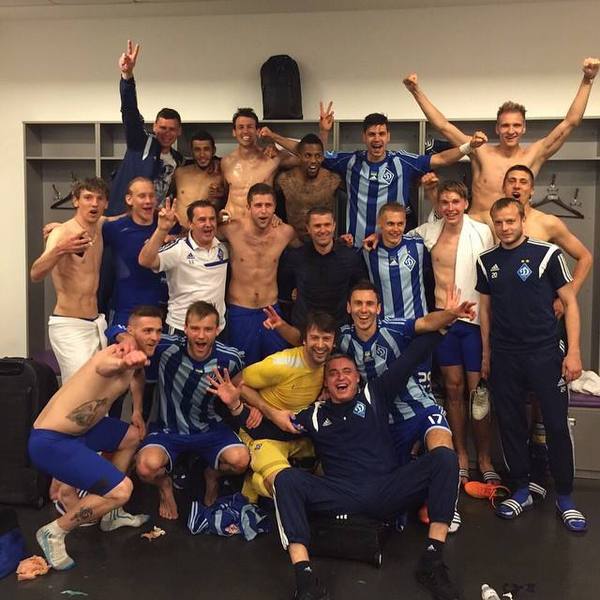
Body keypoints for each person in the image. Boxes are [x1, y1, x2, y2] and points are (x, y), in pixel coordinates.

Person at [209, 333, 461, 600]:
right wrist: (235, 405)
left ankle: (432, 561)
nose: (341, 377)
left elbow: (410, 358)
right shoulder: (313, 416)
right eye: (333, 373)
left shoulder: (375, 394)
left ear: (357, 378)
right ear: (326, 383)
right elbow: (267, 430)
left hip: (387, 490)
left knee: (444, 458)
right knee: (286, 480)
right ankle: (305, 580)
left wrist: (445, 323)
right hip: (341, 495)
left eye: (347, 372)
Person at [476, 197, 586, 532]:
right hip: (505, 355)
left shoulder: (547, 254)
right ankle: (521, 489)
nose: (505, 228)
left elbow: (570, 303)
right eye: (499, 222)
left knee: (555, 425)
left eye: (510, 221)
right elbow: (485, 311)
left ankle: (565, 496)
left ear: (522, 220)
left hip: (544, 352)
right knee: (510, 424)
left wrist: (574, 352)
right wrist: (486, 354)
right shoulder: (486, 260)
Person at [28, 305, 164, 570]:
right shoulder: (114, 356)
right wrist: (123, 362)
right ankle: (55, 531)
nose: (154, 337)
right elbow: (106, 366)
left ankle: (111, 516)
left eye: (158, 331)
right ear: (131, 331)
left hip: (83, 431)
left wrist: (137, 410)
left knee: (131, 436)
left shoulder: (138, 358)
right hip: (51, 441)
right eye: (147, 331)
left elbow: (137, 376)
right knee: (122, 490)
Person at [403, 58, 600, 223]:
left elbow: (570, 123)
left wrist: (588, 79)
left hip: (513, 232)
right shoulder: (480, 151)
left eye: (516, 125)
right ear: (497, 128)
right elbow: (443, 126)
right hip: (479, 231)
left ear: (524, 128)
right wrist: (415, 91)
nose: (511, 131)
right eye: (505, 125)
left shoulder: (534, 154)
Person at [411, 181, 496, 484]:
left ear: (465, 203)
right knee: (453, 389)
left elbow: (493, 275)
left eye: (455, 202)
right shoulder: (429, 232)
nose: (450, 208)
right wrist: (375, 237)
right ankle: (460, 454)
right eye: (444, 202)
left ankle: (484, 458)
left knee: (478, 394)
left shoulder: (482, 232)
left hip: (473, 322)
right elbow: (394, 236)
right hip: (445, 322)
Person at [135, 301, 249, 519]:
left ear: (218, 330)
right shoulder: (166, 347)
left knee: (241, 461)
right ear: (185, 328)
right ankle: (165, 486)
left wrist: (241, 403)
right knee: (145, 468)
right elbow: (129, 337)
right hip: (169, 429)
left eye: (208, 329)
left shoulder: (230, 358)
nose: (201, 336)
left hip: (209, 428)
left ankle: (212, 475)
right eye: (195, 328)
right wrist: (137, 411)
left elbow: (243, 388)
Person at [319, 106, 487, 245]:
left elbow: (441, 159)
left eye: (381, 134)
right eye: (371, 134)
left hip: (394, 246)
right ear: (364, 137)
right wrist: (324, 132)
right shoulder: (351, 161)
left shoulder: (402, 161)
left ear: (388, 137)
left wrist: (469, 146)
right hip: (357, 246)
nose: (376, 139)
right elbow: (320, 158)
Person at [234, 312, 336, 502]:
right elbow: (236, 383)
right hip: (263, 433)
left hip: (297, 435)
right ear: (304, 340)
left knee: (340, 462)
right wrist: (266, 410)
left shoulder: (330, 366)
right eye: (315, 338)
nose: (321, 345)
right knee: (286, 487)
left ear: (334, 342)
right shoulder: (280, 364)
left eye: (326, 339)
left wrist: (328, 391)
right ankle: (255, 483)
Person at [30, 177, 110, 383]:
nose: (94, 204)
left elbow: (128, 217)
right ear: (76, 201)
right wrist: (60, 249)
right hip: (69, 324)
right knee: (78, 388)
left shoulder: (101, 225)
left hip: (95, 324)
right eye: (88, 198)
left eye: (99, 198)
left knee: (97, 387)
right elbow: (35, 273)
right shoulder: (61, 233)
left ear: (106, 203)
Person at [219, 183, 298, 365]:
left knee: (276, 367)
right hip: (240, 311)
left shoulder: (285, 232)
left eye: (268, 205)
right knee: (241, 368)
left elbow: (307, 252)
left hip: (271, 311)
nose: (263, 211)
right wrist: (217, 216)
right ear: (248, 207)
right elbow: (200, 233)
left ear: (275, 207)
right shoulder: (232, 229)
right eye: (258, 205)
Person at [107, 40, 184, 215]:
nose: (166, 133)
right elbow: (129, 111)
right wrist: (127, 76)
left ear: (179, 131)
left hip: (154, 221)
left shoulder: (178, 160)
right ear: (154, 127)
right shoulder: (140, 143)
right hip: (124, 218)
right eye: (162, 128)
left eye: (172, 129)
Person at [138, 199, 228, 336]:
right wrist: (162, 230)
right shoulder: (178, 249)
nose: (208, 224)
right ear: (190, 224)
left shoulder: (224, 247)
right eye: (202, 220)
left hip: (216, 329)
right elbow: (145, 261)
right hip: (182, 328)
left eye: (212, 219)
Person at [279, 206, 367, 330]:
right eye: (317, 226)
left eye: (327, 225)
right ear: (308, 228)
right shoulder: (295, 258)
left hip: (341, 329)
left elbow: (361, 291)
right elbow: (284, 293)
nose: (323, 230)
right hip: (304, 330)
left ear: (334, 226)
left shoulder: (350, 257)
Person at [103, 177, 167, 328]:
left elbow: (192, 234)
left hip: (161, 311)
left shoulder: (168, 224)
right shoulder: (115, 228)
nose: (148, 201)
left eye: (152, 196)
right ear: (129, 199)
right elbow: (88, 230)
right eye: (142, 196)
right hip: (125, 310)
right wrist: (61, 228)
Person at [220, 108, 297, 220]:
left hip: (261, 224)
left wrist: (273, 136)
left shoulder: (271, 158)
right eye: (241, 127)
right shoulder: (226, 162)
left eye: (250, 127)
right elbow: (224, 192)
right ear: (234, 132)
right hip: (233, 224)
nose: (245, 131)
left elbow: (305, 156)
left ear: (257, 131)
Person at [266, 132, 342, 240]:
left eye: (318, 156)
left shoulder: (333, 179)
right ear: (299, 156)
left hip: (323, 242)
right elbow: (266, 192)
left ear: (322, 157)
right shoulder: (284, 179)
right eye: (307, 156)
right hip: (293, 242)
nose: (313, 161)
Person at [171, 131, 225, 226]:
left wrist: (223, 194)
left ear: (213, 150)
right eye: (197, 150)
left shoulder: (221, 174)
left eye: (206, 149)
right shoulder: (180, 173)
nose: (202, 154)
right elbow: (165, 196)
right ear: (191, 152)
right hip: (178, 230)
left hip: (207, 230)